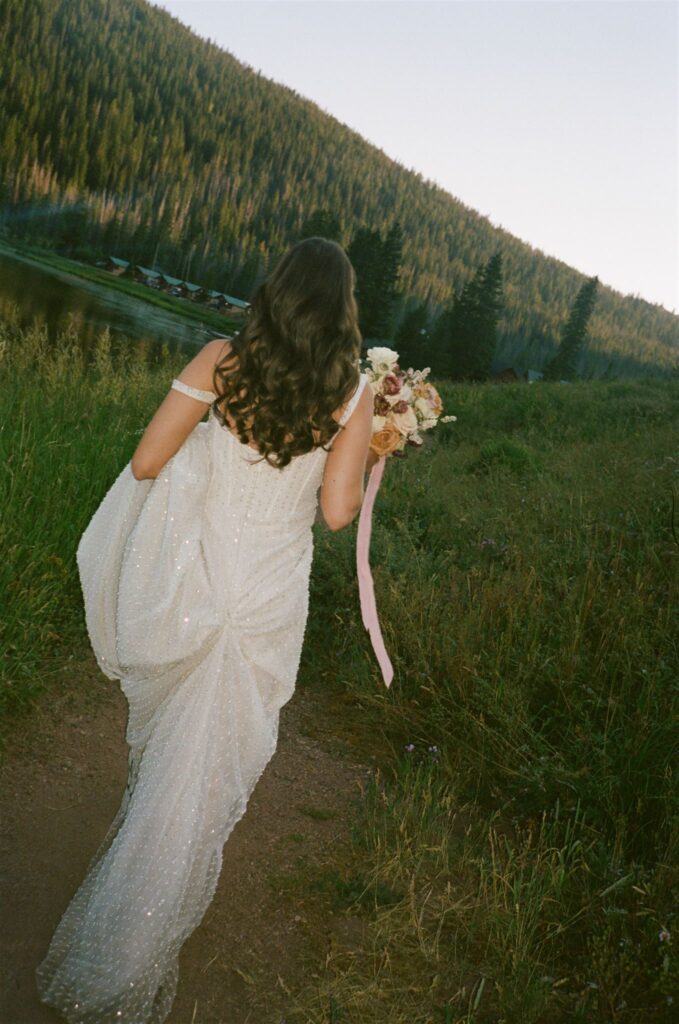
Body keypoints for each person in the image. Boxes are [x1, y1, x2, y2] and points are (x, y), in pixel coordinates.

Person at [35, 237, 379, 1023]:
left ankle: (126, 915)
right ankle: (134, 927)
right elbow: (334, 514)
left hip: (193, 582)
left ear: (278, 292)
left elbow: (148, 461)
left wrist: (208, 446)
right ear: (342, 312)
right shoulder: (354, 396)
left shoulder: (223, 360)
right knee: (205, 766)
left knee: (172, 756)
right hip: (261, 600)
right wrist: (368, 453)